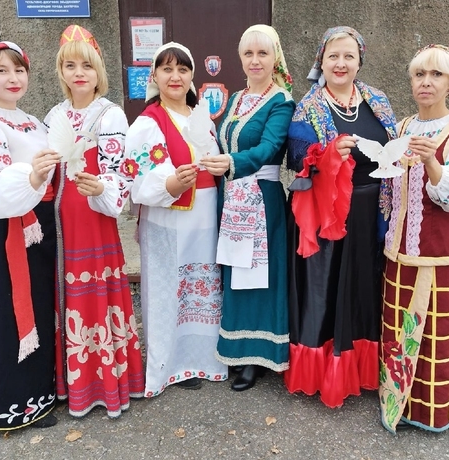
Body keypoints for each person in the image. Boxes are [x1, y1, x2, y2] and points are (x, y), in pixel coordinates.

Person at [378, 44, 449, 433]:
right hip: (399, 249)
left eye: (436, 75)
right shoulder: (402, 128)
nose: (426, 82)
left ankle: (430, 413)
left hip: (440, 251)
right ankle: (396, 403)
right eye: (419, 75)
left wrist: (431, 162)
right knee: (397, 328)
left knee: (436, 334)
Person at [284, 27, 398, 408]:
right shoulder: (309, 106)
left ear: (359, 61)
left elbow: (392, 147)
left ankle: (361, 369)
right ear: (321, 60)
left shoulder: (377, 101)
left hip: (370, 211)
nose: (341, 63)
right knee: (326, 291)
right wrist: (329, 152)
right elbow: (297, 158)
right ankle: (324, 372)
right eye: (333, 56)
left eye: (349, 56)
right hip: (327, 213)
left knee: (364, 290)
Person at [45, 25, 144, 418]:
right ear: (61, 71)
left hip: (94, 218)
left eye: (86, 65)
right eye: (70, 65)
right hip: (61, 223)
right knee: (66, 296)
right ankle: (73, 386)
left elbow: (120, 175)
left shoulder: (110, 114)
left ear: (98, 69)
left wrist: (100, 187)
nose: (79, 72)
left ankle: (107, 385)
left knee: (97, 296)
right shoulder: (53, 116)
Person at [0, 41, 60, 430]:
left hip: (38, 227)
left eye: (19, 70)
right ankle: (8, 406)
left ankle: (39, 396)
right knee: (7, 316)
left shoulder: (32, 120)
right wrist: (33, 177)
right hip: (5, 227)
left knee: (38, 308)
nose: (12, 78)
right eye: (1, 70)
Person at [122, 42, 228, 397]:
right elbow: (138, 178)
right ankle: (169, 366)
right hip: (167, 220)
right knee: (169, 288)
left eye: (182, 69)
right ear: (154, 75)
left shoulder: (202, 118)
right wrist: (171, 183)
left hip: (204, 217)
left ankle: (205, 358)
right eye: (167, 69)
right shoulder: (147, 123)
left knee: (203, 286)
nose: (175, 76)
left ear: (191, 76)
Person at [200, 25, 295, 391]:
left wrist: (231, 163)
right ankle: (236, 347)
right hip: (232, 195)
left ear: (275, 58)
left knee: (257, 276)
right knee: (235, 272)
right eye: (248, 54)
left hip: (261, 198)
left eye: (263, 53)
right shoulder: (237, 98)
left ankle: (258, 356)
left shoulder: (281, 101)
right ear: (240, 59)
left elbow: (269, 148)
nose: (255, 60)